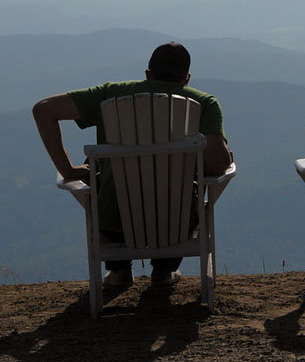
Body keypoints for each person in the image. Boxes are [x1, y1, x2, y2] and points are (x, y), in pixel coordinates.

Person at [32, 42, 234, 289]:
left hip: (115, 222)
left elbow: (43, 110)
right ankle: (163, 271)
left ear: (148, 75)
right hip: (178, 222)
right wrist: (223, 156)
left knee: (97, 169)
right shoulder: (206, 104)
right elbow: (216, 165)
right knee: (186, 176)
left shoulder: (109, 94)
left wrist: (68, 170)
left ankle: (119, 272)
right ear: (187, 78)